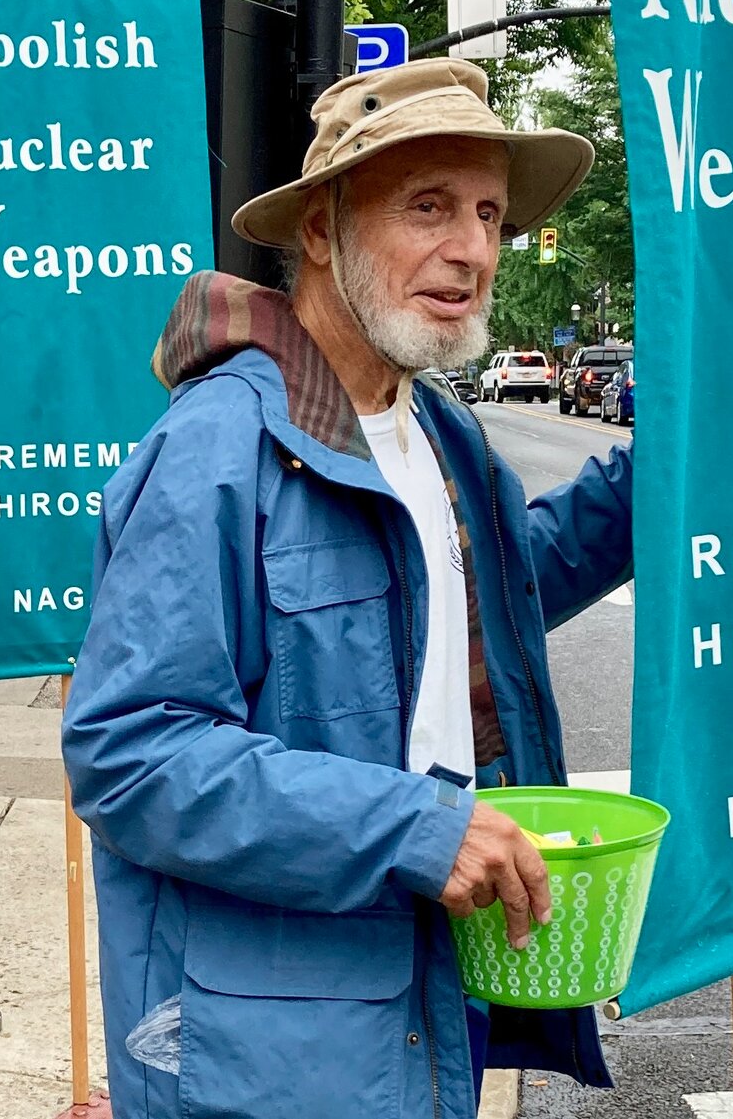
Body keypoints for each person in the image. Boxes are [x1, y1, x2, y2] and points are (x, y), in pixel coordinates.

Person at [61, 58, 634, 1118]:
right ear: (320, 229)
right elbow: (130, 753)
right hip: (264, 1047)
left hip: (423, 988)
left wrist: (657, 474)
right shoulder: (219, 444)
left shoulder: (439, 430)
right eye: (428, 207)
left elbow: (486, 602)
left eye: (490, 215)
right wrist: (418, 827)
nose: (469, 249)